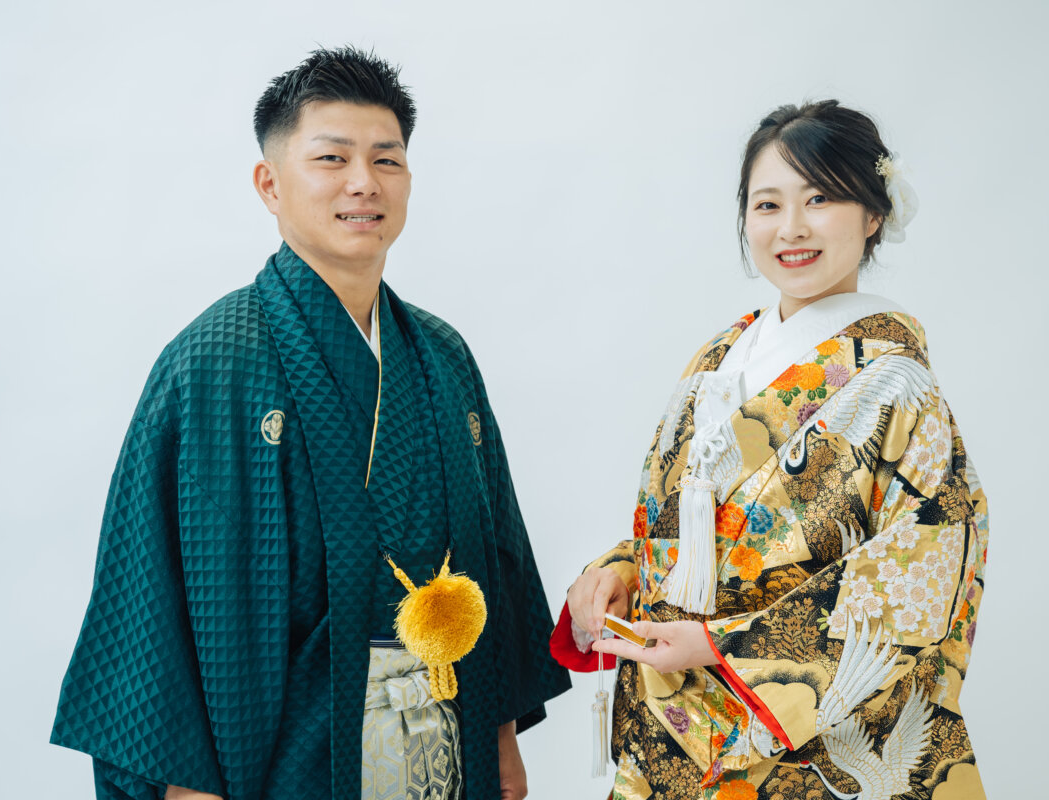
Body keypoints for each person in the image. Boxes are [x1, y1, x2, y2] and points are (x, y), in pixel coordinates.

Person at [51, 46, 570, 800]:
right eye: (333, 158)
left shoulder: (442, 354)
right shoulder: (212, 362)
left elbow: (497, 557)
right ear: (270, 183)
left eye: (386, 160)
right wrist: (183, 787)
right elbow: (150, 592)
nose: (364, 182)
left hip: (447, 737)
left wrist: (499, 739)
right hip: (289, 758)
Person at [552, 101, 988, 799]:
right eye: (768, 204)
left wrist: (726, 646)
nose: (791, 228)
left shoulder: (896, 382)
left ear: (873, 214)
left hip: (796, 745)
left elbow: (930, 569)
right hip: (672, 725)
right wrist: (618, 572)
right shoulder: (718, 359)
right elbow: (689, 530)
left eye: (820, 198)